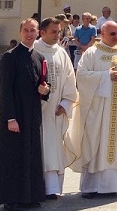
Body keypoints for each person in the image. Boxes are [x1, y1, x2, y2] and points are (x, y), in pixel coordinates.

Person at [0, 19, 50, 210]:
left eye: (33, 31)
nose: (29, 34)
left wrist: (46, 90)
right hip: (14, 116)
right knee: (12, 157)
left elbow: (44, 85)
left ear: (38, 33)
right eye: (26, 30)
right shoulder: (10, 57)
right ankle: (11, 197)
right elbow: (4, 90)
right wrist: (10, 117)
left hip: (32, 116)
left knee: (30, 155)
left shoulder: (39, 56)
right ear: (20, 32)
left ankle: (29, 196)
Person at [70, 20, 117, 199]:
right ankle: (91, 187)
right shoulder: (92, 53)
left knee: (116, 144)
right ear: (102, 33)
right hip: (97, 109)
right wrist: (106, 76)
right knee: (95, 143)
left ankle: (111, 186)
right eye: (112, 33)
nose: (116, 37)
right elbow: (82, 76)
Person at [35, 17, 79, 199]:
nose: (57, 35)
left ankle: (52, 188)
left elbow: (70, 79)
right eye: (53, 31)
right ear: (42, 32)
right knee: (40, 149)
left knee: (54, 149)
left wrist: (66, 103)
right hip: (37, 112)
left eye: (59, 31)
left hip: (56, 111)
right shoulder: (34, 50)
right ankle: (37, 187)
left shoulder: (61, 53)